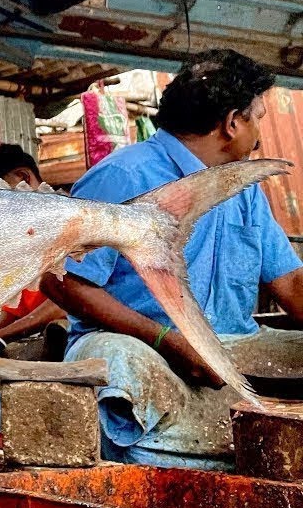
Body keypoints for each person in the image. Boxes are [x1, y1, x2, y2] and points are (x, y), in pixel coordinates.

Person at [41, 49, 303, 468]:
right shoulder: (124, 176)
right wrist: (168, 341)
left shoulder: (246, 188)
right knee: (116, 360)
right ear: (232, 122)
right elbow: (60, 280)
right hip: (148, 347)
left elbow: (289, 283)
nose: (260, 135)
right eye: (258, 118)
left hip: (232, 351)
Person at [0, 144, 67, 378]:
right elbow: (16, 308)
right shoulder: (29, 236)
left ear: (24, 177)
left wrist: (1, 337)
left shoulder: (72, 223)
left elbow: (66, 305)